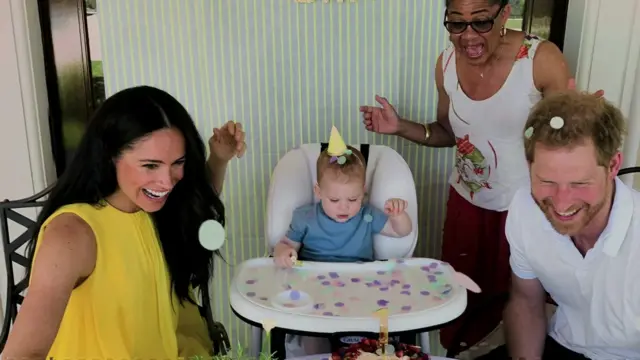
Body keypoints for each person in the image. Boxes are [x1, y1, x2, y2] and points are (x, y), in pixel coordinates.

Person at [359, 0, 573, 349]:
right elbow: (448, 133)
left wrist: (580, 124)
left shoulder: (541, 60)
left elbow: (565, 143)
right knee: (463, 306)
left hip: (526, 210)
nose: (468, 36)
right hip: (467, 206)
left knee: (524, 307)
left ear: (504, 14)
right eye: (456, 23)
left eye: (481, 22)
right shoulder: (445, 64)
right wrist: (400, 127)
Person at [2, 86, 247, 360]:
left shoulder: (154, 207)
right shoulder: (72, 233)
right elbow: (21, 354)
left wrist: (218, 159)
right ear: (110, 156)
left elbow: (197, 204)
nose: (167, 181)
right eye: (150, 165)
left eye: (178, 163)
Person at [479, 91, 639, 360]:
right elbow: (526, 302)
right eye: (547, 181)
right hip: (564, 345)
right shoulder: (525, 207)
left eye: (579, 183)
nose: (562, 203)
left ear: (612, 166)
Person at [273, 127, 413, 356]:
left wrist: (398, 215)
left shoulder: (367, 216)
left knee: (369, 338)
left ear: (363, 192)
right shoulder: (305, 217)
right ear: (318, 192)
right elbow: (286, 244)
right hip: (315, 288)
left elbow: (401, 232)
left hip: (360, 287)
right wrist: (284, 253)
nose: (344, 206)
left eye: (353, 198)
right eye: (335, 199)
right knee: (313, 335)